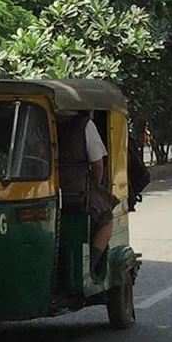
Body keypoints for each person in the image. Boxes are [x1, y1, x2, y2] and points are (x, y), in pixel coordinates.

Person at [57, 111, 114, 278]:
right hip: (75, 190)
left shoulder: (41, 117)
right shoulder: (84, 125)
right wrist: (95, 185)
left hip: (44, 187)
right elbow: (98, 165)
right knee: (106, 218)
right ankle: (91, 266)